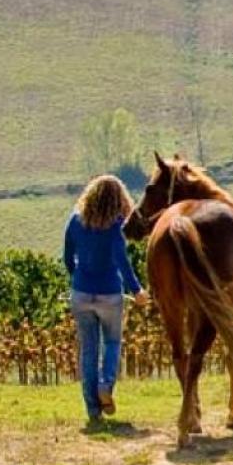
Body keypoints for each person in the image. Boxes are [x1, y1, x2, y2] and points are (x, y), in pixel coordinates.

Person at [63, 175, 148, 424]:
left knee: (88, 351)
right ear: (119, 199)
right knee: (112, 342)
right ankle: (106, 385)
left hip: (81, 293)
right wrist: (137, 291)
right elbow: (122, 262)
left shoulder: (75, 221)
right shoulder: (115, 226)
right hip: (109, 294)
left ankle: (93, 411)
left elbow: (67, 257)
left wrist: (77, 278)